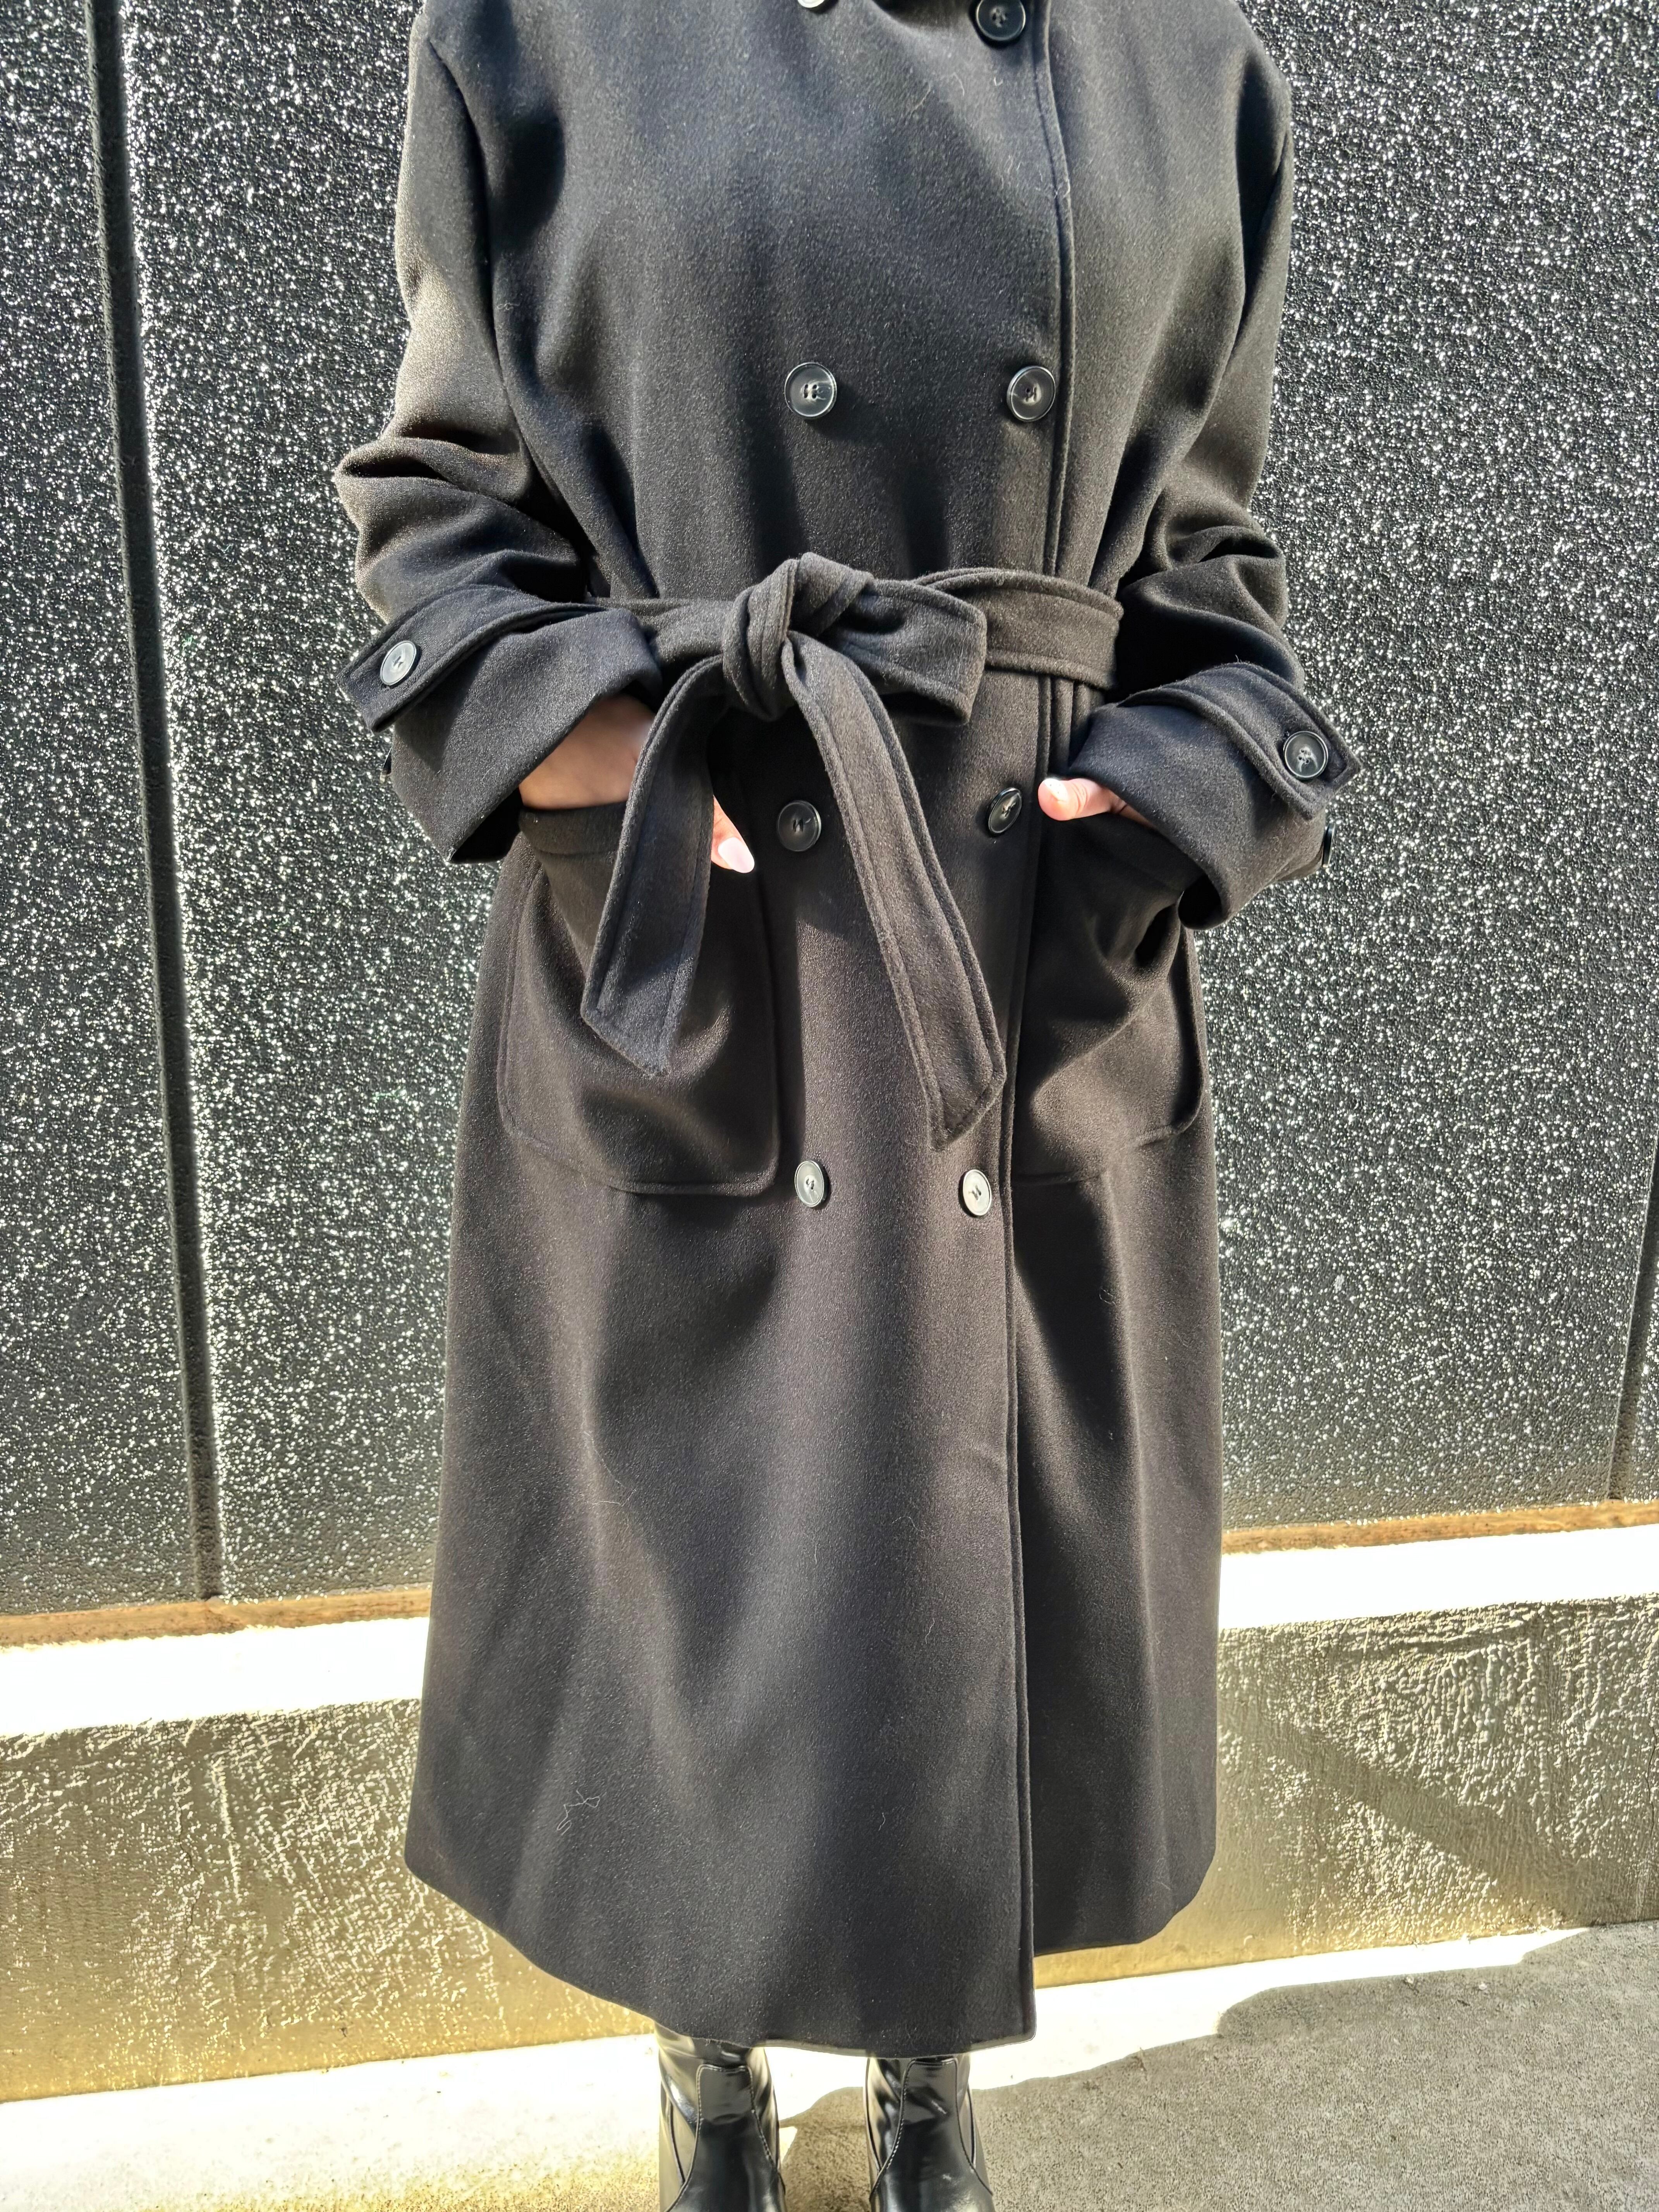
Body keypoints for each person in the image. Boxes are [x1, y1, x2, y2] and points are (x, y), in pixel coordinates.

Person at [333, 3, 1359, 2206]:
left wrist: (1169, 802)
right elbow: (439, 515)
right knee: (703, 1552)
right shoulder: (536, 34)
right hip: (702, 932)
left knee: (953, 1559)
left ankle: (921, 2065)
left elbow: (1214, 569)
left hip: (1017, 942)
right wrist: (599, 755)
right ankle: (703, 2057)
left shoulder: (1188, 62)